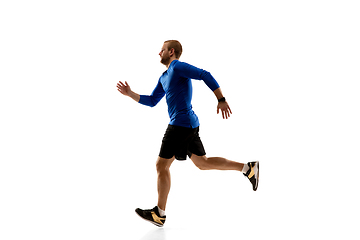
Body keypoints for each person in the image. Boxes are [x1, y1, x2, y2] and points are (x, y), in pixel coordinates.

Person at [116, 40, 259, 227]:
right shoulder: (164, 76)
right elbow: (151, 101)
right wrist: (130, 93)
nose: (159, 53)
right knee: (202, 163)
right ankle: (248, 168)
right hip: (188, 125)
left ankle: (159, 213)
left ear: (171, 52)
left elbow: (203, 74)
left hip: (180, 125)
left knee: (161, 165)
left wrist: (221, 99)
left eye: (162, 50)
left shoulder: (177, 67)